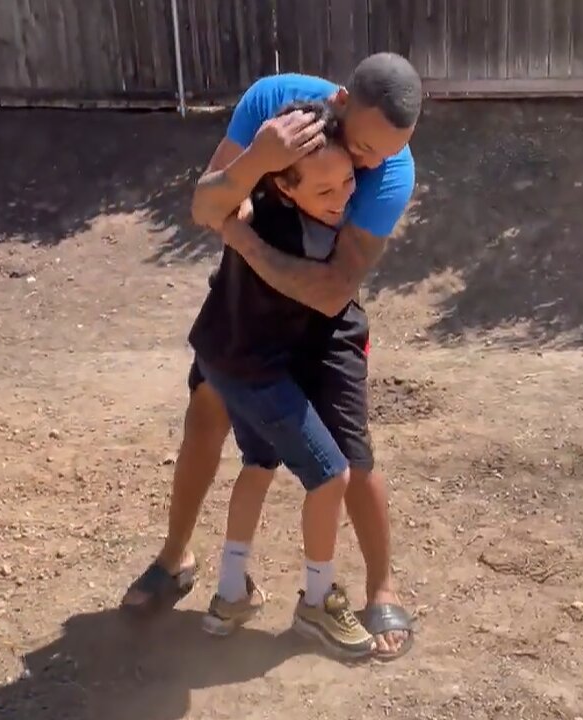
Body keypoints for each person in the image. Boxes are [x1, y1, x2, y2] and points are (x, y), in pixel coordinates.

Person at [121, 53, 420, 660]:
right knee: (207, 415)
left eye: (387, 152)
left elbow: (334, 289)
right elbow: (207, 208)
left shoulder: (390, 173)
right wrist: (257, 159)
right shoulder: (272, 104)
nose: (371, 164)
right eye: (364, 145)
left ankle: (380, 585)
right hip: (248, 310)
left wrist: (245, 240)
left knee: (351, 455)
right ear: (340, 102)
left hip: (324, 318)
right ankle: (175, 556)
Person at [190, 99, 374, 656]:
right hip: (254, 369)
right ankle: (316, 602)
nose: (343, 199)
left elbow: (225, 202)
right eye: (325, 191)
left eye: (348, 181)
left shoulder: (251, 204)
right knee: (331, 477)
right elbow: (330, 289)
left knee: (259, 462)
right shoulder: (316, 241)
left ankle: (229, 594)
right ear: (286, 189)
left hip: (219, 359)